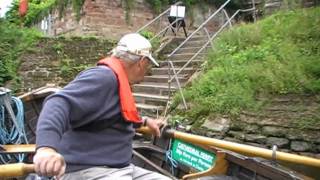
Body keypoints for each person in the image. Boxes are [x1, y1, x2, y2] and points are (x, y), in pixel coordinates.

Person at [33, 33, 171, 180]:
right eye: (148, 64)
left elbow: (114, 115)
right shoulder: (104, 78)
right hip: (91, 169)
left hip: (121, 167)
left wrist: (143, 121)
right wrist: (46, 149)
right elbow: (57, 103)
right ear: (141, 62)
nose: (147, 70)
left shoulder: (118, 81)